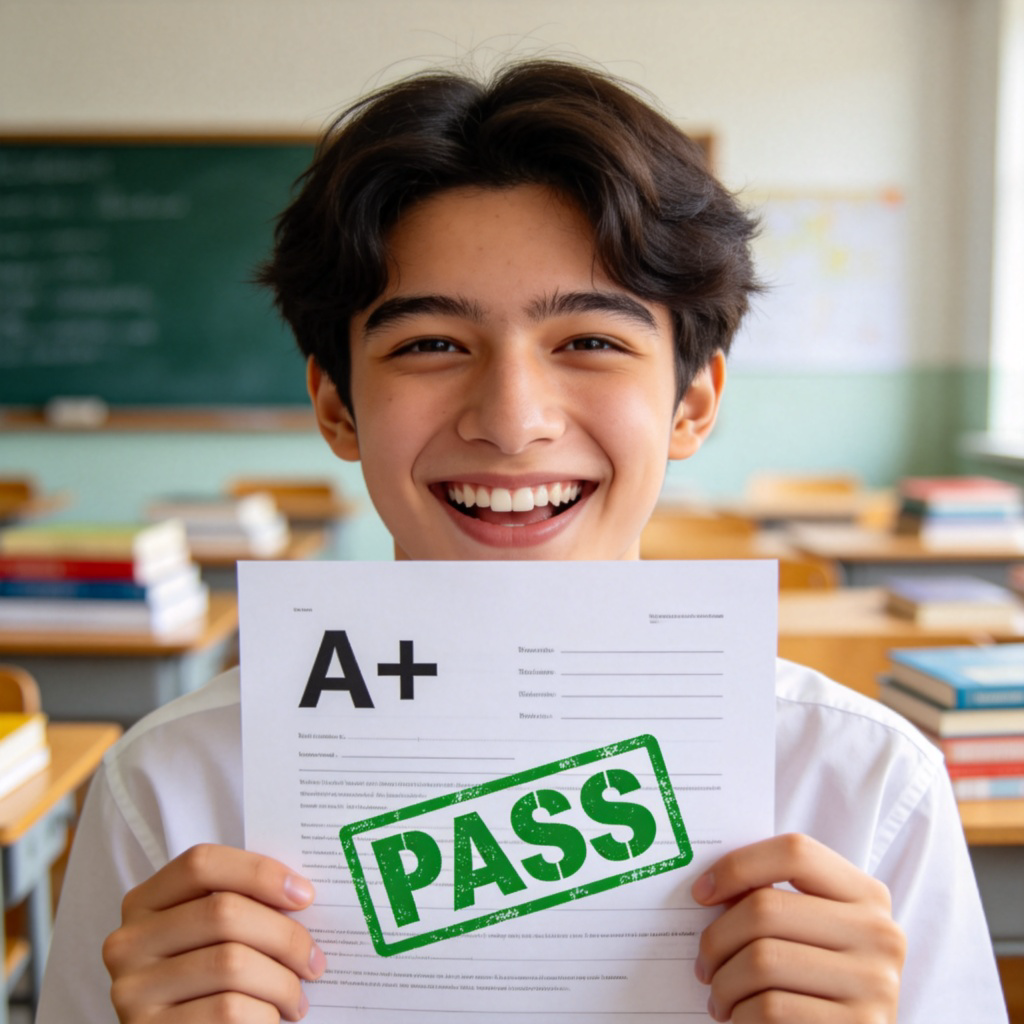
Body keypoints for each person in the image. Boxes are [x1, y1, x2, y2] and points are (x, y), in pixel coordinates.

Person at [38, 59, 1007, 1023]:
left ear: (692, 401)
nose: (511, 420)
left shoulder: (866, 786)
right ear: (337, 406)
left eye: (589, 340)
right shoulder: (170, 789)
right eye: (428, 344)